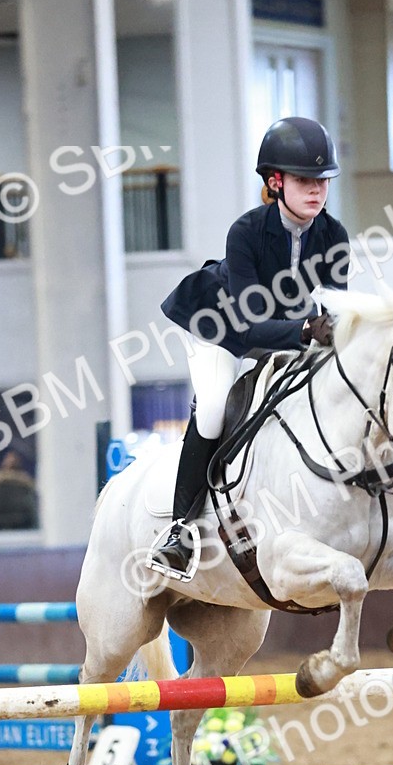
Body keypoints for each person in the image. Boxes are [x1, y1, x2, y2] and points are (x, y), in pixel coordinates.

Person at [147, 115, 350, 577]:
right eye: (304, 180)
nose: (317, 189)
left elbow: (336, 307)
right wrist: (305, 331)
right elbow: (252, 326)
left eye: (323, 180)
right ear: (276, 182)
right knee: (216, 405)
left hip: (285, 327)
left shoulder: (333, 236)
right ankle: (178, 531)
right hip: (219, 326)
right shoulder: (245, 233)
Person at [0, 450, 38, 530]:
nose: (11, 463)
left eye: (13, 461)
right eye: (9, 460)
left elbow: (31, 485)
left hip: (20, 514)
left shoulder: (25, 477)